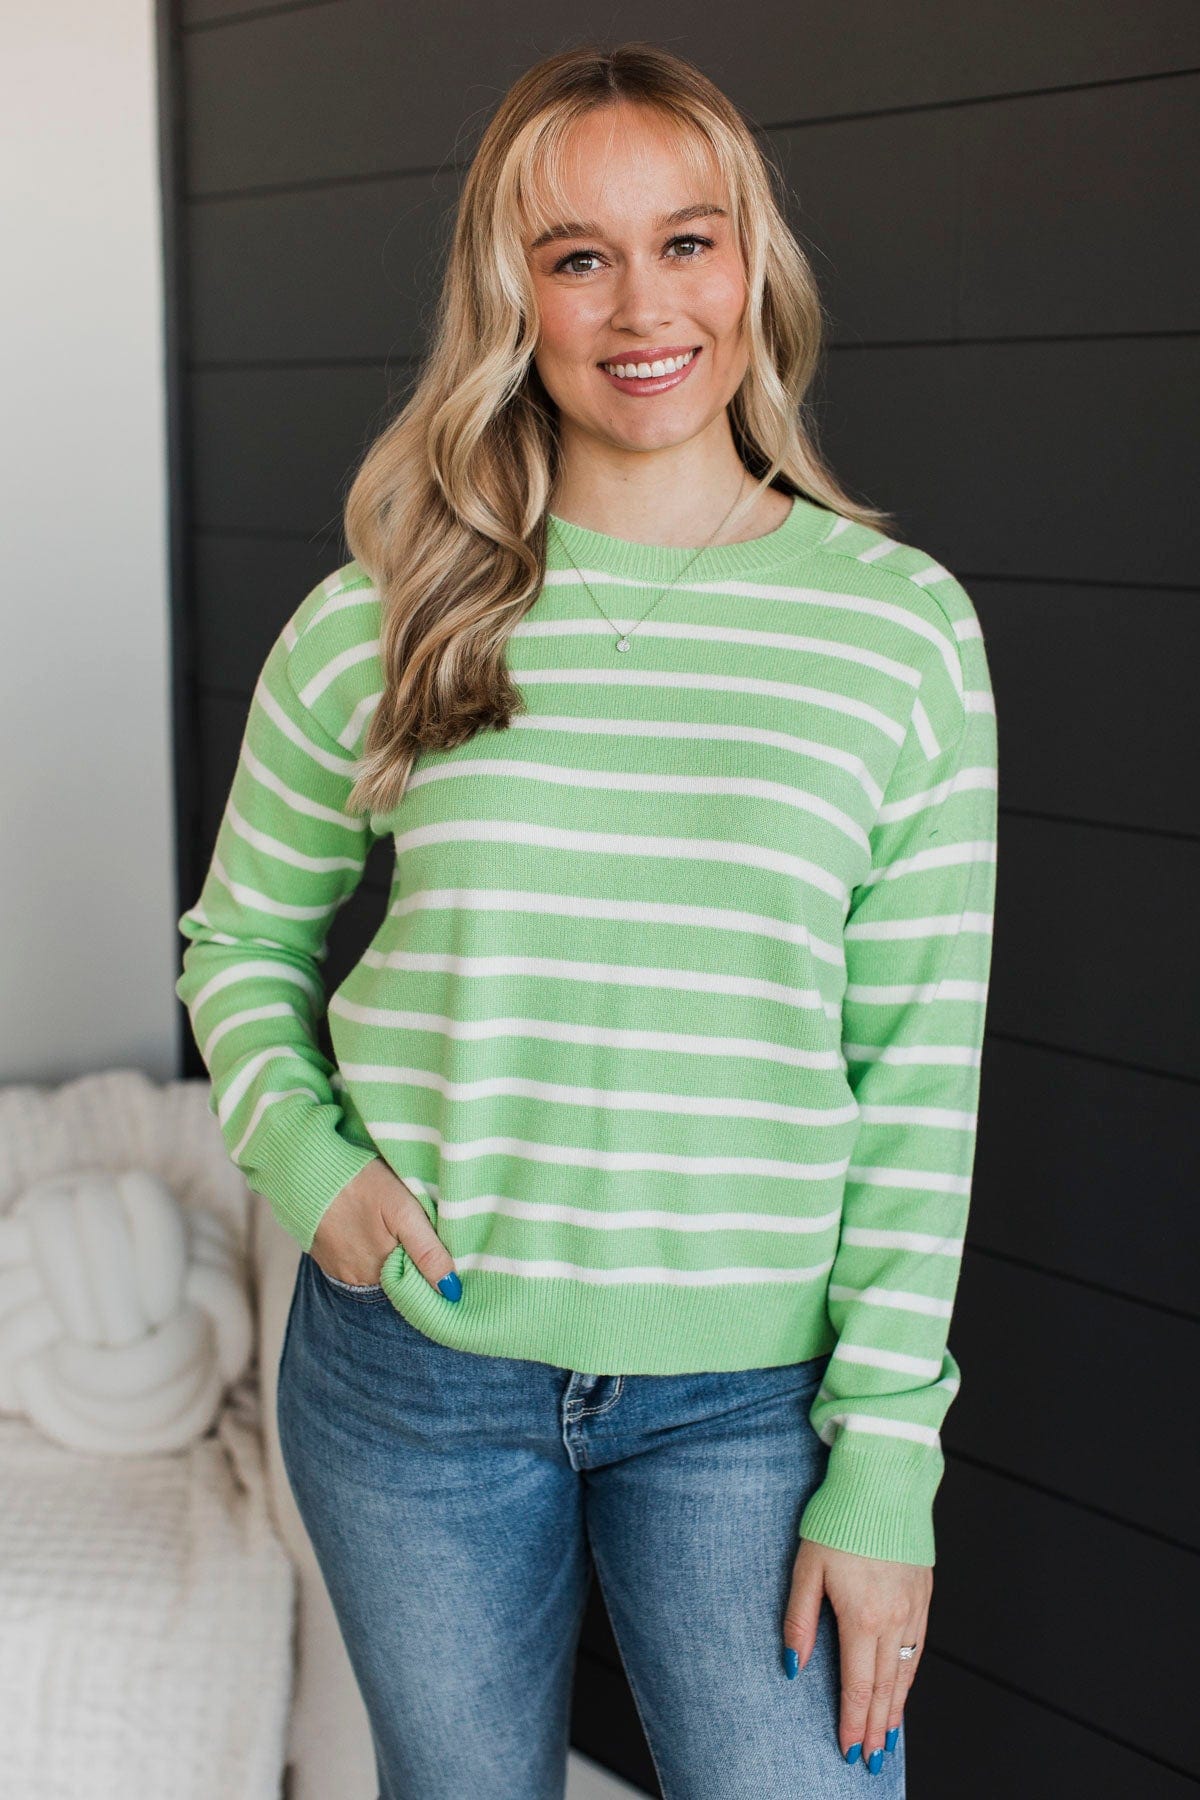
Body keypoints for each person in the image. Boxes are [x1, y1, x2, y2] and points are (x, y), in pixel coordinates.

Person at [176, 41, 998, 1800]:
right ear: (513, 296)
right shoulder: (387, 612)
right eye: (578, 256)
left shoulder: (897, 631)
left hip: (753, 1401)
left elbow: (918, 1074)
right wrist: (314, 1175)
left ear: (752, 266)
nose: (644, 306)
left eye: (687, 242)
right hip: (416, 1374)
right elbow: (238, 943)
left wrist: (887, 1461)